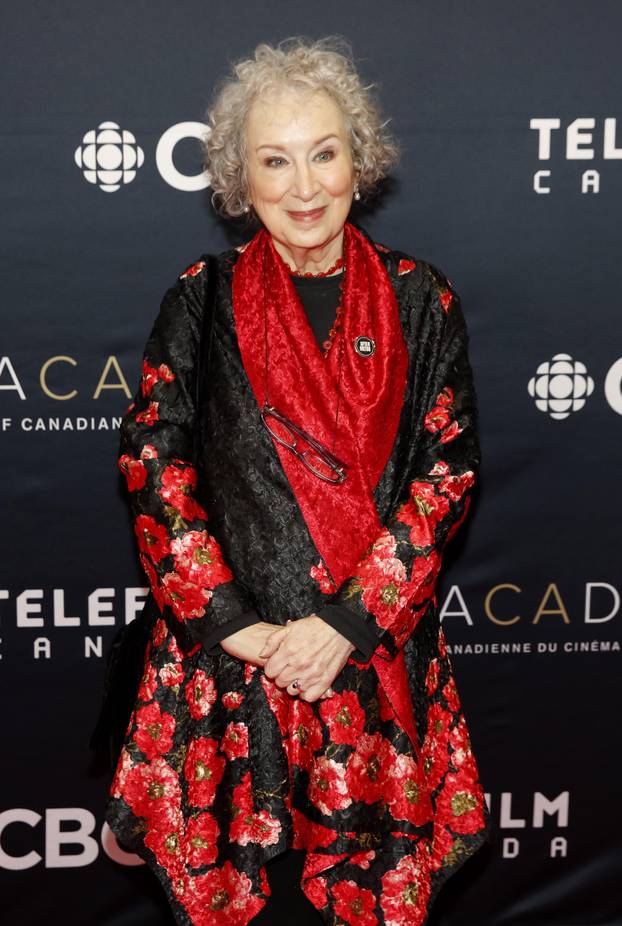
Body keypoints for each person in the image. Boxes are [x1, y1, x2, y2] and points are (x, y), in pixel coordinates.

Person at [104, 35, 492, 926]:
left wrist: (345, 624)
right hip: (233, 666)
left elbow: (447, 471)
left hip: (370, 654)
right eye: (275, 162)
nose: (306, 186)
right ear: (242, 180)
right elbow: (153, 466)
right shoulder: (200, 300)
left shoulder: (420, 298)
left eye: (325, 153)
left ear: (362, 158)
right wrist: (239, 627)